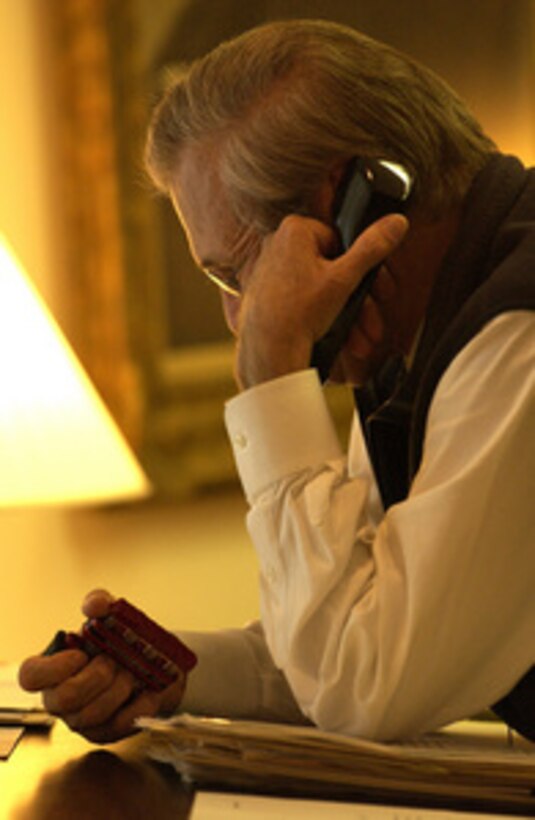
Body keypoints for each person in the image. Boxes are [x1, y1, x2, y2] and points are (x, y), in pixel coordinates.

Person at [19, 19, 534, 744]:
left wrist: (271, 377)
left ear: (350, 210)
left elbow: (369, 683)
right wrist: (175, 675)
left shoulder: (515, 335)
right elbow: (353, 631)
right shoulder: (430, 333)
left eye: (236, 275)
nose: (240, 318)